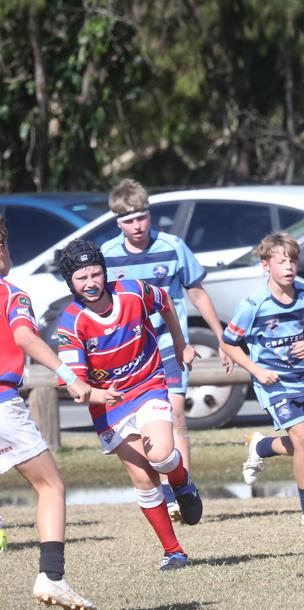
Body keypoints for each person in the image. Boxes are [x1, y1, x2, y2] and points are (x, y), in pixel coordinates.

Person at [56, 239, 201, 570]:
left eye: (96, 274)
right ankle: (174, 551)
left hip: (148, 384)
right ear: (71, 283)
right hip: (108, 404)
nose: (91, 282)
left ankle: (181, 481)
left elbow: (166, 303)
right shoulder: (71, 322)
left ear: (104, 272)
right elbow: (76, 386)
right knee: (143, 479)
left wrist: (180, 345)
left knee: (161, 455)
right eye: (82, 278)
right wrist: (95, 394)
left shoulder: (133, 292)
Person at [102, 179, 231, 517]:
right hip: (132, 355)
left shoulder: (173, 246)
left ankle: (183, 489)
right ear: (118, 223)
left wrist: (221, 336)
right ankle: (166, 492)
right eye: (129, 221)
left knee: (174, 415)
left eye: (142, 218)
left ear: (150, 215)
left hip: (170, 346)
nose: (137, 226)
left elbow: (197, 292)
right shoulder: (108, 256)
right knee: (143, 424)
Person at [0, 219, 96, 610]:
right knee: (51, 487)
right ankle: (52, 577)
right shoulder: (10, 293)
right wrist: (70, 376)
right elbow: (24, 337)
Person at [223, 233, 304, 527]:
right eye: (282, 261)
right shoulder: (254, 304)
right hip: (271, 383)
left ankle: (260, 447)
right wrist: (255, 370)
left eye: (293, 260)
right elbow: (229, 342)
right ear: (265, 265)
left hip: (298, 379)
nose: (289, 267)